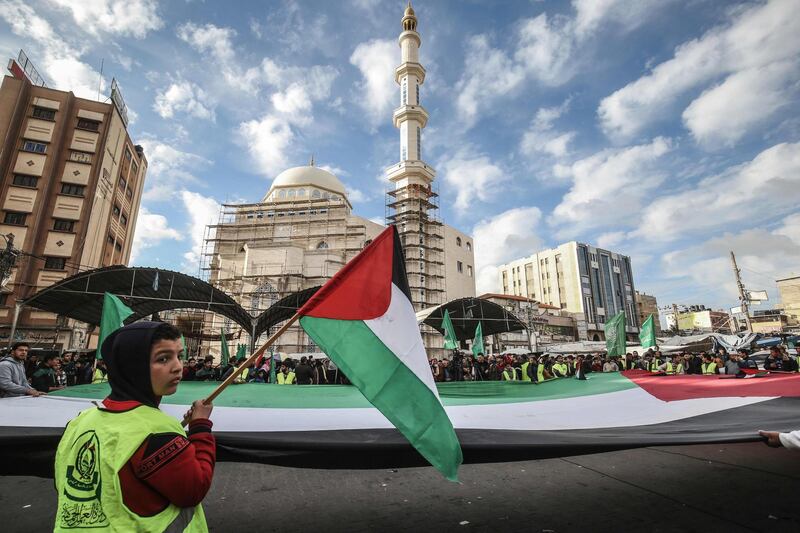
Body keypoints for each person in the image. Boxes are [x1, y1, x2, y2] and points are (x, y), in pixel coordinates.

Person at [53, 322, 214, 531]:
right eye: (163, 358)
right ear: (133, 366)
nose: (178, 367)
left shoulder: (80, 421)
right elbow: (194, 488)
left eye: (179, 356)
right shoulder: (157, 431)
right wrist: (200, 427)